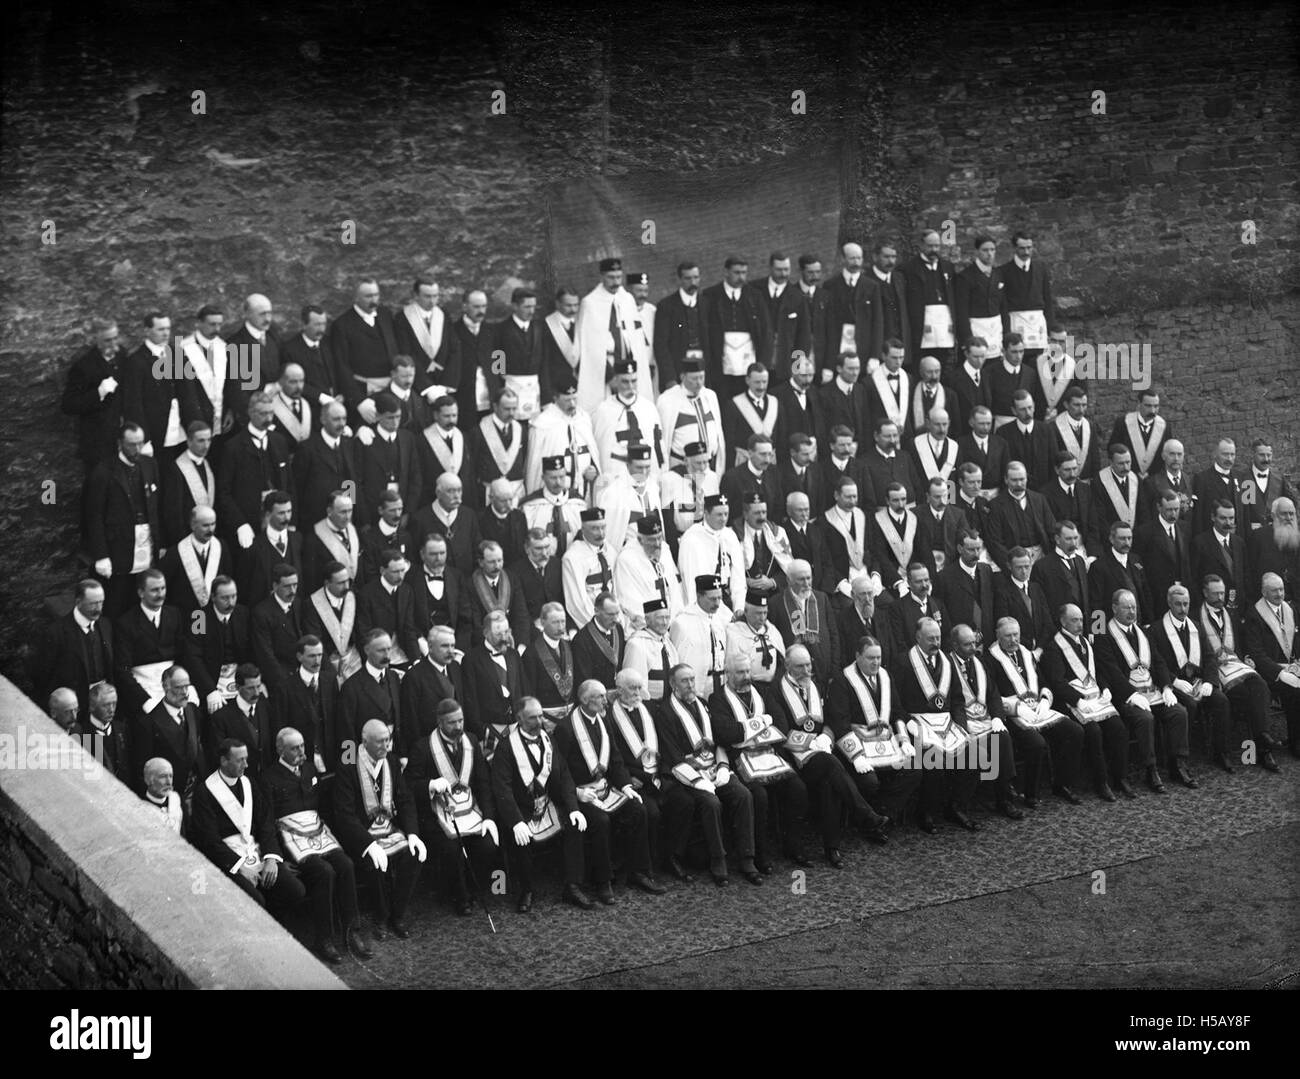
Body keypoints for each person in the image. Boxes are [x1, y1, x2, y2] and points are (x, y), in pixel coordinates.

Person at [770, 645, 889, 867]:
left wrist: (825, 736)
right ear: (787, 666)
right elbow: (781, 731)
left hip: (821, 753)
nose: (806, 670)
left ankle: (832, 848)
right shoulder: (776, 690)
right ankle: (865, 816)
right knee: (831, 766)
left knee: (830, 780)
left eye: (808, 664)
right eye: (799, 666)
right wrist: (810, 741)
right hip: (792, 757)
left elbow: (831, 720)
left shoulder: (817, 684)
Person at [262, 727, 371, 962]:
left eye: (302, 745)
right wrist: (278, 856)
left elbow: (321, 808)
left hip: (318, 832)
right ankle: (324, 938)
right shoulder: (269, 778)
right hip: (290, 840)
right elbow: (267, 821)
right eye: (294, 748)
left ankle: (353, 931)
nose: (301, 751)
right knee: (324, 872)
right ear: (280, 750)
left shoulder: (310, 769)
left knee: (346, 865)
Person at [552, 680, 666, 904]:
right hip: (580, 793)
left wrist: (625, 786)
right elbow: (560, 771)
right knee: (600, 821)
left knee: (638, 809)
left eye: (605, 696)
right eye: (600, 697)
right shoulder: (566, 728)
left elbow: (615, 759)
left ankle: (639, 872)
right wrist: (576, 793)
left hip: (605, 789)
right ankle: (603, 881)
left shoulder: (603, 721)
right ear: (585, 700)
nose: (606, 701)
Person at [658, 664, 761, 886]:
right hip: (687, 774)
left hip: (714, 768)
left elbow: (718, 743)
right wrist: (698, 781)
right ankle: (718, 859)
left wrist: (724, 767)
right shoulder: (665, 712)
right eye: (684, 681)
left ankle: (747, 857)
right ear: (673, 684)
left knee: (743, 794)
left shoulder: (703, 704)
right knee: (711, 803)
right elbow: (673, 757)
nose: (690, 685)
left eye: (692, 680)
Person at [491, 696, 591, 911]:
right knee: (521, 838)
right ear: (519, 718)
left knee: (575, 825)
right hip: (522, 808)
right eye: (532, 718)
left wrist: (573, 808)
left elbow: (564, 775)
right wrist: (516, 821)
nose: (539, 722)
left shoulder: (548, 739)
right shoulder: (506, 748)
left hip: (547, 804)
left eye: (540, 716)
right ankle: (526, 890)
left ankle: (572, 886)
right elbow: (503, 790)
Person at [331, 719, 426, 940]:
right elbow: (345, 815)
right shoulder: (348, 766)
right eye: (381, 742)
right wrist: (368, 844)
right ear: (364, 742)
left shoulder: (391, 761)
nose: (387, 746)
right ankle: (380, 917)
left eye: (388, 740)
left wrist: (412, 833)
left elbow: (405, 800)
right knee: (374, 863)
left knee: (415, 855)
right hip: (361, 835)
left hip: (390, 829)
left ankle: (398, 914)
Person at [191, 736, 305, 918]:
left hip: (256, 851)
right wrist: (238, 866)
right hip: (229, 858)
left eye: (246, 759)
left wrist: (270, 858)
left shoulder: (249, 783)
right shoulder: (205, 792)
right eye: (240, 760)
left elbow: (265, 823)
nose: (246, 764)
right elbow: (209, 840)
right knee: (255, 902)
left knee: (295, 890)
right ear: (223, 761)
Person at [404, 700, 499, 917]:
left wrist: (489, 817)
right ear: (439, 723)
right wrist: (430, 784)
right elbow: (408, 785)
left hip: (471, 810)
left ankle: (475, 888)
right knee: (451, 849)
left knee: (488, 845)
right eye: (452, 723)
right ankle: (460, 896)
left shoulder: (472, 741)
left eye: (461, 720)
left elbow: (483, 782)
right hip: (437, 814)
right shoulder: (422, 747)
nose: (458, 726)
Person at [1094, 589, 1196, 790]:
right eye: (1126, 607)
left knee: (1179, 713)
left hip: (1153, 691)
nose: (1131, 612)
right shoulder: (1104, 635)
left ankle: (1178, 765)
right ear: (1114, 608)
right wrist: (1131, 695)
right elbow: (1112, 672)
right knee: (1145, 719)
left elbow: (1158, 662)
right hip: (1127, 695)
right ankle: (1151, 770)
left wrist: (1167, 687)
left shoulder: (1143, 632)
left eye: (1134, 607)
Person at [1198, 575, 1281, 771]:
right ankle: (1250, 753)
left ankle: (1262, 741)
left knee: (1260, 685)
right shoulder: (1195, 617)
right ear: (1205, 593)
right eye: (1215, 593)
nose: (1220, 597)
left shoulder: (1232, 615)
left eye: (1222, 593)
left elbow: (1241, 643)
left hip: (1236, 666)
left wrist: (1247, 657)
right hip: (1212, 669)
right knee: (1245, 698)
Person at [85, 424, 163, 616]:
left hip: (146, 545)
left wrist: (161, 543)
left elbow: (156, 508)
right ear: (120, 444)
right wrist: (101, 555)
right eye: (131, 445)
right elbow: (93, 516)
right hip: (118, 548)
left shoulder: (149, 464)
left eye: (140, 443)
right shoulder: (103, 472)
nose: (137, 449)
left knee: (142, 602)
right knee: (118, 603)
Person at [948, 624, 1023, 819]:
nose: (973, 648)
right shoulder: (947, 665)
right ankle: (959, 807)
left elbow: (994, 694)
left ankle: (1004, 797)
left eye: (974, 643)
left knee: (1002, 737)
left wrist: (998, 717)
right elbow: (954, 702)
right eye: (967, 645)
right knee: (975, 751)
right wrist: (963, 729)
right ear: (955, 645)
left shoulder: (979, 662)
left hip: (984, 719)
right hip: (960, 723)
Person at [31, 579, 115, 721]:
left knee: (98, 743)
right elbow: (44, 676)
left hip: (102, 708)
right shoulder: (56, 633)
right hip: (75, 710)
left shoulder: (105, 625)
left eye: (101, 602)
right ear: (78, 601)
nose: (98, 608)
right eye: (93, 603)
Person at [1242, 572, 1300, 757]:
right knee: (1294, 690)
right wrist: (1281, 673)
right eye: (1274, 590)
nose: (1280, 594)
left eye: (1282, 589)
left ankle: (1295, 739)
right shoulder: (1254, 615)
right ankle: (1290, 745)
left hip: (1292, 667)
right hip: (1267, 671)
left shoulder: (1290, 609)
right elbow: (1257, 654)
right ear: (1263, 592)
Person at [462, 610, 525, 761]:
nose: (504, 638)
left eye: (506, 632)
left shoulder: (513, 655)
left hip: (516, 727)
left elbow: (523, 689)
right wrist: (482, 731)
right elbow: (470, 700)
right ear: (485, 633)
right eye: (498, 634)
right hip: (489, 734)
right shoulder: (471, 659)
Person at [562, 507, 619, 628]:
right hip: (590, 622)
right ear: (583, 529)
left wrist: (618, 619)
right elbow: (577, 603)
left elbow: (617, 588)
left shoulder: (610, 551)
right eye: (595, 528)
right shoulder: (572, 557)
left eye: (603, 527)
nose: (601, 533)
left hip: (615, 618)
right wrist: (598, 626)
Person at [521, 602, 578, 723]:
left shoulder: (570, 646)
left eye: (563, 621)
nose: (561, 627)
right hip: (546, 718)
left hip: (571, 716)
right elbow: (530, 692)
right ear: (542, 622)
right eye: (555, 622)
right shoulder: (531, 653)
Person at [623, 599, 680, 702]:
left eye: (667, 617)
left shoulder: (667, 642)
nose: (665, 622)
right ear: (647, 620)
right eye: (660, 618)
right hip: (651, 706)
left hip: (671, 704)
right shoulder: (636, 644)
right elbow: (635, 684)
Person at [571, 592, 626, 692]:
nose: (615, 619)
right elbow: (584, 679)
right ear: (596, 611)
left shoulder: (618, 629)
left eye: (617, 613)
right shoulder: (582, 639)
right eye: (610, 614)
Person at [141, 757, 183, 834]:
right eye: (163, 776)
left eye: (171, 776)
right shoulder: (140, 809)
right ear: (149, 780)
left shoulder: (176, 800)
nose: (169, 782)